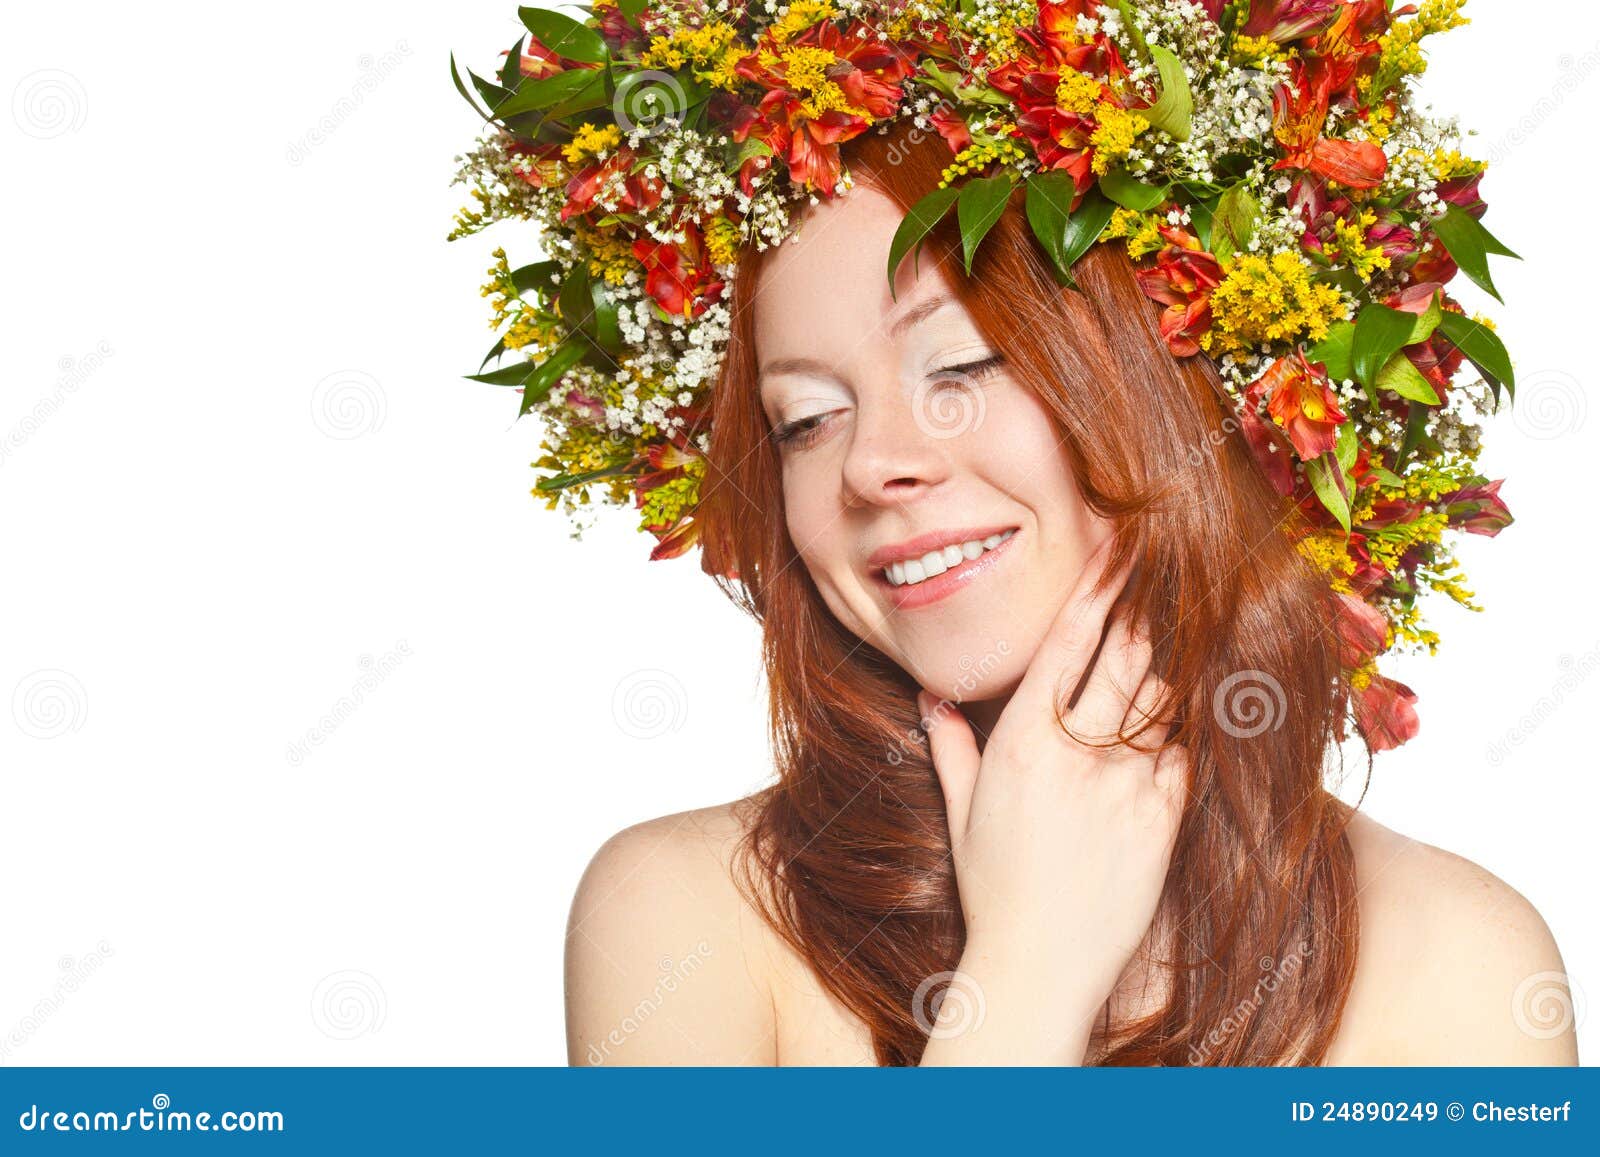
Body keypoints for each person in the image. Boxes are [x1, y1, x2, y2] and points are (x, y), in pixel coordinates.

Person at [562, 121, 1577, 1067]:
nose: (870, 462)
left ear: (1176, 381)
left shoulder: (1462, 963)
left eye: (959, 366)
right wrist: (1026, 972)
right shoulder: (686, 916)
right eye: (807, 419)